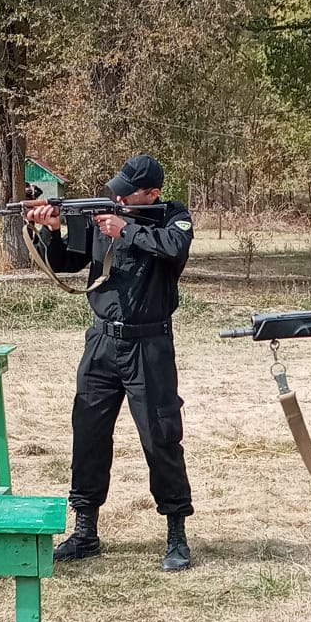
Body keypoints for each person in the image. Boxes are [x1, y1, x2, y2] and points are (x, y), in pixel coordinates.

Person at [26, 154, 194, 572]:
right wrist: (50, 231)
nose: (116, 195)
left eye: (127, 190)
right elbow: (69, 261)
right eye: (115, 187)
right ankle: (85, 531)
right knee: (89, 432)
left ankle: (176, 533)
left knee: (160, 435)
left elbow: (174, 248)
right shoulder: (101, 212)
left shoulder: (173, 217)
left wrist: (127, 229)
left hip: (149, 344)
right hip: (102, 342)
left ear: (151, 193)